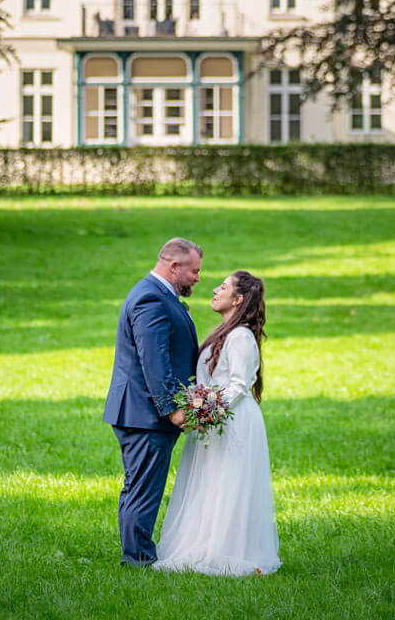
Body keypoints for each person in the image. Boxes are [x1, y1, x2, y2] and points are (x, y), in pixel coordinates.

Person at [153, 270, 281, 576]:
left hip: (232, 420)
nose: (214, 290)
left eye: (222, 287)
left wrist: (205, 409)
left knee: (227, 483)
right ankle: (200, 544)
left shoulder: (240, 337)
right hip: (216, 419)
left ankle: (224, 551)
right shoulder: (225, 332)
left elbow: (238, 385)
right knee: (209, 482)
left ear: (237, 299)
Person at [102, 237, 202, 567]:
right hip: (144, 414)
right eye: (194, 271)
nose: (198, 279)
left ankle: (137, 556)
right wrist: (172, 408)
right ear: (174, 267)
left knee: (139, 487)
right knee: (143, 490)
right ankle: (138, 560)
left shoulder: (157, 294)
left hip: (141, 412)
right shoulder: (151, 298)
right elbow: (154, 361)